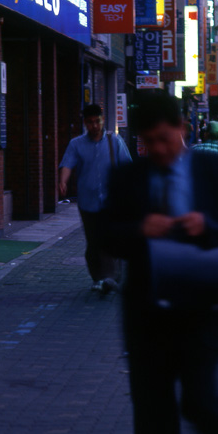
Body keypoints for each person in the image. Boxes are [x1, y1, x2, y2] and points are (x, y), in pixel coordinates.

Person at [101, 91, 218, 434]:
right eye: (148, 142)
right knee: (152, 410)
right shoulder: (128, 178)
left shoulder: (213, 170)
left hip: (206, 305)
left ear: (182, 129)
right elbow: (105, 236)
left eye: (164, 139)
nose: (157, 149)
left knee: (200, 397)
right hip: (148, 311)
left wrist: (208, 225)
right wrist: (140, 229)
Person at [58, 103, 132, 293]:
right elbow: (67, 164)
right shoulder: (77, 144)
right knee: (93, 242)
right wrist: (63, 181)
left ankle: (110, 277)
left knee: (109, 238)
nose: (94, 126)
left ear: (103, 120)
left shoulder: (115, 141)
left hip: (111, 201)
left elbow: (127, 167)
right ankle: (98, 278)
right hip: (88, 202)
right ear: (85, 123)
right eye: (90, 122)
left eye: (97, 121)